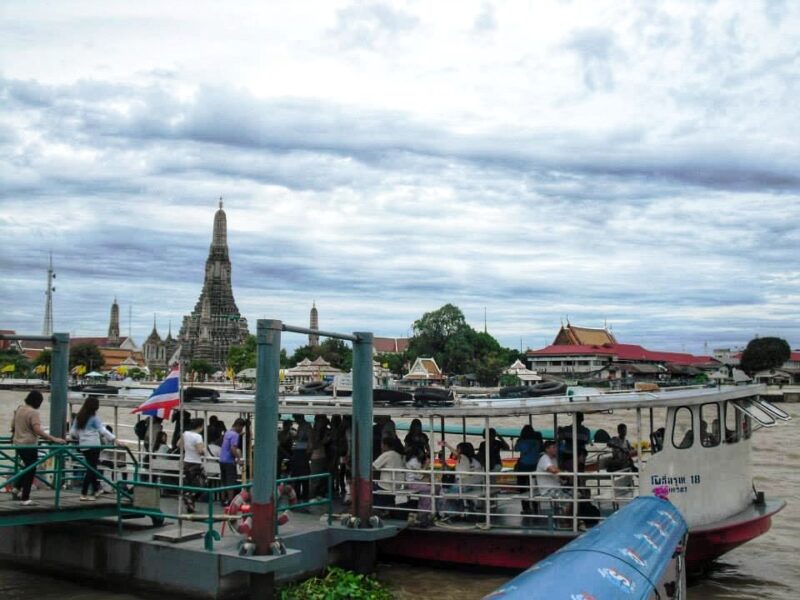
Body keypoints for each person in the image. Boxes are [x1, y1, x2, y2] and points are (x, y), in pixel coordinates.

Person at [11, 390, 65, 505]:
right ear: (37, 401)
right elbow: (37, 430)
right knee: (31, 469)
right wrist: (54, 439)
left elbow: (13, 425)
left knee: (27, 467)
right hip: (29, 444)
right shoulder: (33, 412)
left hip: (18, 443)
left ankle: (16, 488)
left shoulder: (20, 409)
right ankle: (25, 498)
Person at [70, 397, 122, 501]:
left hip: (83, 446)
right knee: (91, 469)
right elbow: (103, 431)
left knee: (91, 467)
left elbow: (73, 433)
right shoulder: (94, 418)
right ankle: (84, 493)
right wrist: (115, 439)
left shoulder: (79, 417)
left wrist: (80, 437)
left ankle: (96, 489)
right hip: (94, 445)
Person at [178, 418, 207, 513]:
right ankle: (190, 499)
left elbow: (178, 444)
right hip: (196, 463)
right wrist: (204, 450)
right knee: (201, 485)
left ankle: (189, 500)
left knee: (189, 483)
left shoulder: (185, 434)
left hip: (186, 461)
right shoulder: (198, 437)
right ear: (200, 426)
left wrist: (188, 447)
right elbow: (200, 451)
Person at [536, 441, 570, 523]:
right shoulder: (545, 458)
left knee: (577, 495)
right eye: (553, 447)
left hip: (556, 487)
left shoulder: (553, 459)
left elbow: (554, 475)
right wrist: (566, 473)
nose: (556, 449)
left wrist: (562, 480)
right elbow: (553, 470)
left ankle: (572, 519)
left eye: (556, 447)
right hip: (547, 490)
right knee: (568, 500)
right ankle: (566, 521)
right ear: (547, 449)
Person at [514, 425, 543, 514]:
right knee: (534, 487)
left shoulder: (521, 442)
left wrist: (518, 441)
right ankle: (535, 506)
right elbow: (540, 451)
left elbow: (516, 449)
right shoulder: (537, 442)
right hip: (534, 466)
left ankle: (526, 507)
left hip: (523, 466)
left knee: (522, 487)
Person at [372, 436, 405, 509]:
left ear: (385, 445)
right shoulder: (398, 455)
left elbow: (373, 466)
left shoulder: (387, 454)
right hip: (396, 486)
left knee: (369, 489)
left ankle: (376, 509)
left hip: (385, 486)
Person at [219, 418, 245, 505]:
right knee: (231, 482)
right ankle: (230, 501)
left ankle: (222, 500)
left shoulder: (228, 433)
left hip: (222, 460)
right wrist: (238, 458)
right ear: (239, 426)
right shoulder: (235, 435)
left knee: (224, 481)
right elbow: (233, 448)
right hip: (229, 461)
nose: (242, 430)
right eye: (242, 427)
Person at [290, 414, 312, 502]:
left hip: (303, 451)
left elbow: (309, 438)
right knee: (298, 474)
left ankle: (304, 495)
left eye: (296, 418)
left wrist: (308, 452)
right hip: (299, 450)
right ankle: (298, 494)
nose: (296, 420)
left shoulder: (307, 426)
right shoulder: (301, 426)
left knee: (303, 474)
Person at [309, 415, 331, 499]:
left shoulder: (323, 431)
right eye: (322, 421)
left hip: (322, 456)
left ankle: (318, 495)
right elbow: (314, 445)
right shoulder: (314, 432)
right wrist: (323, 441)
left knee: (322, 479)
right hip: (317, 456)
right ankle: (312, 496)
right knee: (315, 479)